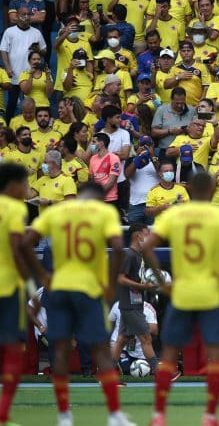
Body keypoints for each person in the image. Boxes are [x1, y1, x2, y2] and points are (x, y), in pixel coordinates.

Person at [23, 182, 136, 426]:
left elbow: (26, 242)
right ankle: (115, 414)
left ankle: (64, 416)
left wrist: (42, 277)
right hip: (88, 288)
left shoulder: (56, 212)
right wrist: (109, 282)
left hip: (59, 289)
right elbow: (118, 248)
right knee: (101, 349)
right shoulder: (104, 213)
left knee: (61, 351)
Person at [141, 172, 219, 426]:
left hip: (182, 292)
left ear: (189, 189)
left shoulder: (175, 214)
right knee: (215, 355)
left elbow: (146, 247)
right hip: (210, 293)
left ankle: (159, 415)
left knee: (168, 355)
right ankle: (210, 415)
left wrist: (161, 280)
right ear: (211, 189)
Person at [0, 162, 37, 426]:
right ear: (12, 185)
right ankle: (3, 413)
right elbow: (16, 248)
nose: (26, 188)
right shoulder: (14, 208)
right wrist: (29, 281)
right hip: (7, 286)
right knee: (13, 347)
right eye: (24, 183)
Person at [111, 223, 158, 374]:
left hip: (132, 304)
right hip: (131, 305)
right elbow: (120, 279)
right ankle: (160, 373)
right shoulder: (130, 255)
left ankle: (107, 374)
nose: (149, 237)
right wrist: (143, 287)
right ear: (138, 236)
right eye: (146, 233)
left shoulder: (138, 255)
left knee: (122, 340)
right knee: (146, 338)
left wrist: (143, 285)